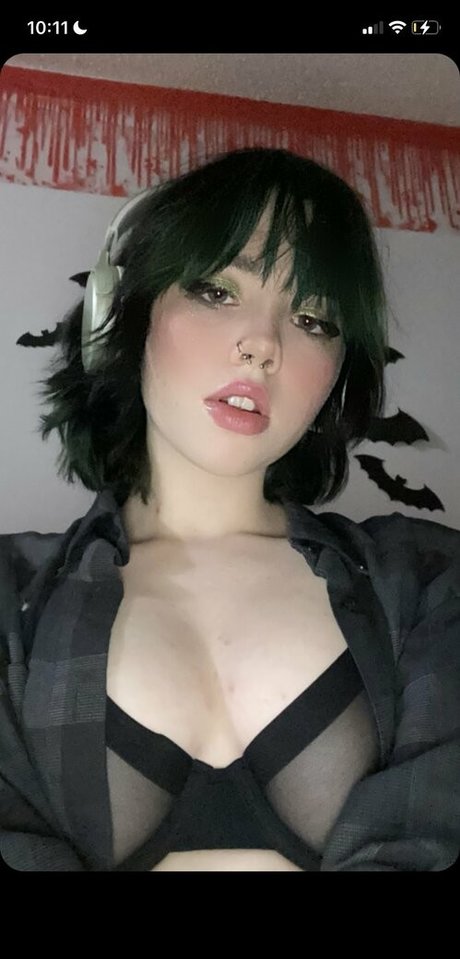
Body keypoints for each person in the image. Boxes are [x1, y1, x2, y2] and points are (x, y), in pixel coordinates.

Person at [0, 147, 459, 872]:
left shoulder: (431, 580)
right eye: (217, 290)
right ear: (123, 314)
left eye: (312, 318)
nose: (262, 344)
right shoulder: (9, 601)